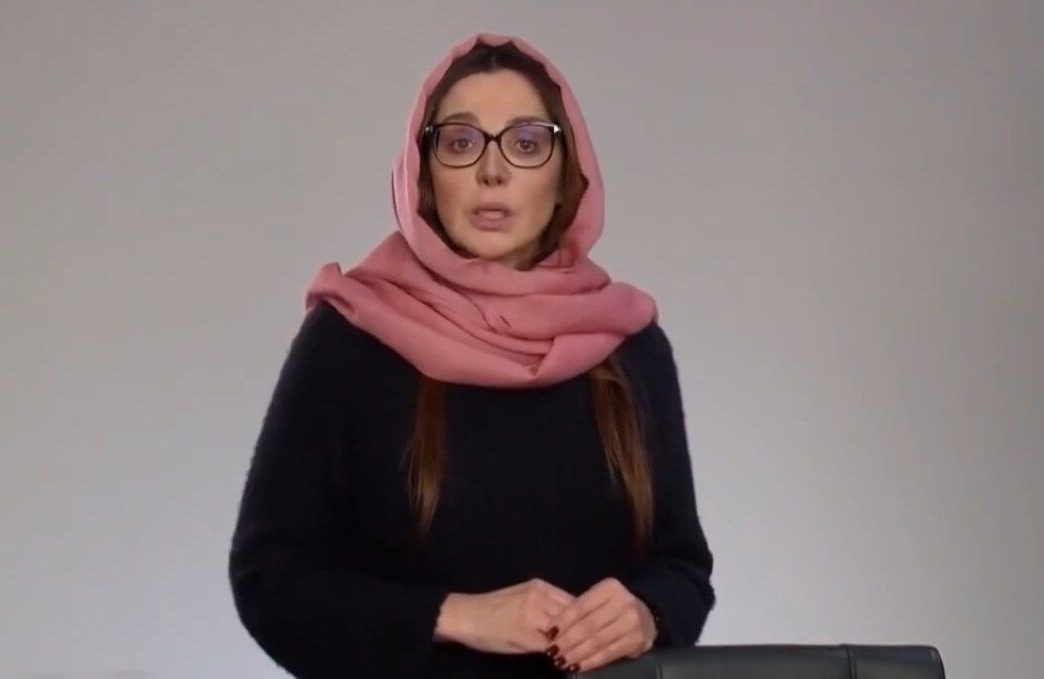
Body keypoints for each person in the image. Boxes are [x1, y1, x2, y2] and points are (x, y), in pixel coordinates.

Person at [228, 32, 716, 678]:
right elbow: (270, 578)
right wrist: (454, 615)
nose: (493, 170)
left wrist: (647, 612)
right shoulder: (349, 340)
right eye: (460, 143)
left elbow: (682, 567)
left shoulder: (630, 349)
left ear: (566, 174)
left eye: (526, 143)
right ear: (422, 171)